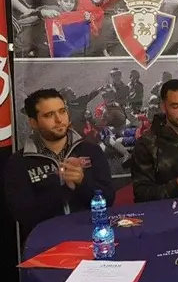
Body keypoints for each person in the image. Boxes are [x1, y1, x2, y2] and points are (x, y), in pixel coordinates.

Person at [4, 89, 114, 245]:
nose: (59, 120)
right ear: (33, 122)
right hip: (46, 246)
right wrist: (61, 186)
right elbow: (24, 215)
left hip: (92, 241)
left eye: (62, 111)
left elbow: (109, 200)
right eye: (49, 115)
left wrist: (82, 182)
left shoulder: (92, 151)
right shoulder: (18, 163)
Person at [130, 79, 178, 203]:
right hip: (163, 218)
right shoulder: (147, 143)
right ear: (163, 107)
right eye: (175, 106)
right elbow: (142, 196)